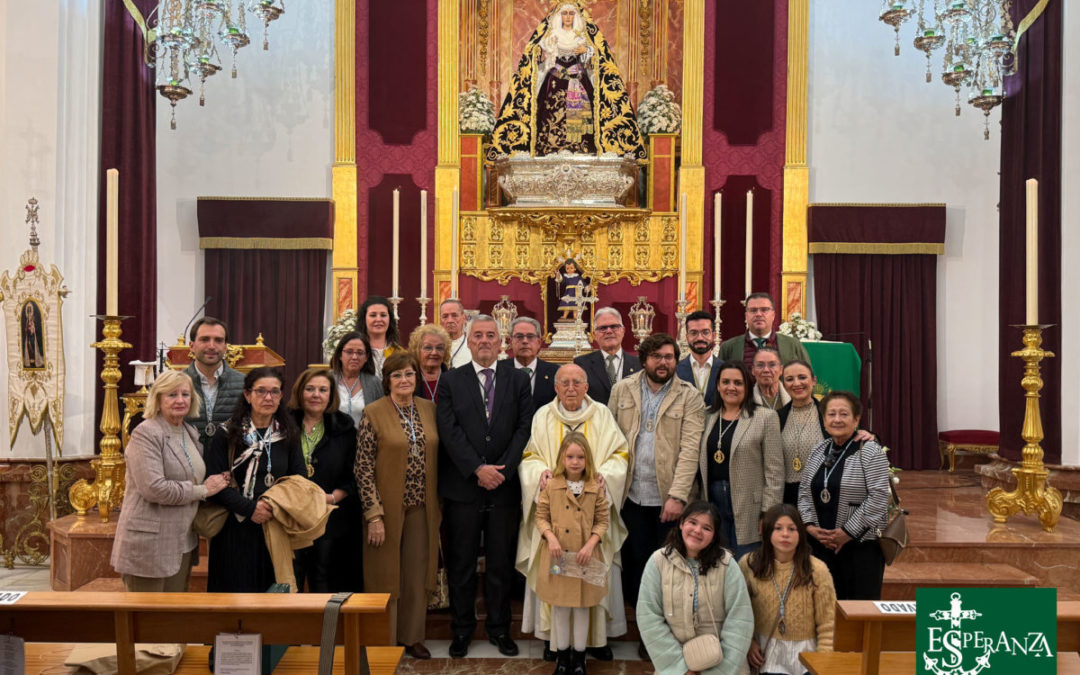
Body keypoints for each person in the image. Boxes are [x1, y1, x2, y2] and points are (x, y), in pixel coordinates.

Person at [437, 315, 534, 658]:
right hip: (463, 487)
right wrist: (477, 468)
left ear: (500, 341)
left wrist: (502, 472)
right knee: (461, 564)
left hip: (504, 489)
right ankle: (462, 630)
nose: (484, 341)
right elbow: (449, 431)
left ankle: (498, 629)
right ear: (469, 338)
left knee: (499, 564)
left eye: (491, 335)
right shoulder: (451, 381)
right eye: (477, 335)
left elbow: (525, 428)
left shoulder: (518, 379)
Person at [517, 363, 629, 661]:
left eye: (577, 382)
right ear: (555, 387)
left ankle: (595, 640)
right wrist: (540, 471)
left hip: (591, 518)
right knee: (557, 580)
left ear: (586, 387)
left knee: (590, 576)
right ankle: (555, 640)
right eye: (564, 382)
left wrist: (605, 473)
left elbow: (620, 453)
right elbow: (530, 455)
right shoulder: (543, 415)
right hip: (555, 521)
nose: (570, 388)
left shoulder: (602, 415)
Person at [608, 333, 704, 659]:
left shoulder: (689, 396)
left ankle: (664, 637)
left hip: (668, 500)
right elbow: (610, 440)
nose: (663, 363)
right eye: (657, 357)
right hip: (631, 497)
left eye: (669, 357)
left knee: (670, 571)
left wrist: (677, 496)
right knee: (636, 566)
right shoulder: (622, 390)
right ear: (644, 359)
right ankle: (644, 629)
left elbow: (691, 450)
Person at [354, 352, 441, 658]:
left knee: (416, 576)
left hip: (422, 507)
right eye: (397, 376)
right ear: (387, 381)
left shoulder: (429, 409)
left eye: (409, 374)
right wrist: (373, 514)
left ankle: (412, 636)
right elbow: (363, 468)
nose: (404, 380)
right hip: (386, 510)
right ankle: (383, 637)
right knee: (384, 574)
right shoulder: (374, 412)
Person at [111, 370, 230, 591]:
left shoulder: (189, 431)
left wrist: (217, 480)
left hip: (182, 541)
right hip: (149, 546)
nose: (180, 400)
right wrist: (203, 490)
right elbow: (155, 489)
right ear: (157, 398)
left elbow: (191, 473)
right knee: (147, 620)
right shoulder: (146, 433)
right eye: (172, 394)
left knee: (172, 619)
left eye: (185, 394)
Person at [205, 367, 305, 592]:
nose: (268, 397)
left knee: (272, 597)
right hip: (234, 529)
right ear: (247, 395)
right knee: (234, 598)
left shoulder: (288, 433)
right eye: (261, 391)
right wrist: (251, 509)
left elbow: (299, 478)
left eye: (275, 392)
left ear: (281, 397)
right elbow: (215, 484)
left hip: (275, 523)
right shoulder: (227, 433)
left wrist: (271, 506)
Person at [637, 501, 754, 675]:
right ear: (682, 523)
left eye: (707, 528)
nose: (698, 531)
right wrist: (681, 668)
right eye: (693, 522)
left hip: (724, 667)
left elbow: (740, 621)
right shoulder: (658, 561)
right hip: (673, 667)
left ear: (714, 535)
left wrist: (718, 671)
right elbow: (648, 617)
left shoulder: (727, 565)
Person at [798, 391, 890, 600]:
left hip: (860, 548)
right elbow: (804, 492)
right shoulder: (818, 450)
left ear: (856, 419)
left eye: (843, 414)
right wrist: (810, 526)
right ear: (824, 419)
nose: (837, 419)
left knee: (859, 611)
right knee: (824, 606)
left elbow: (879, 498)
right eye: (831, 414)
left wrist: (847, 532)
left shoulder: (870, 451)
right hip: (821, 546)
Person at [536, 433, 609, 675]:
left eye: (580, 457)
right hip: (558, 557)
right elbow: (541, 517)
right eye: (570, 456)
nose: (575, 462)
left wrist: (591, 544)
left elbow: (602, 521)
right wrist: (551, 537)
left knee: (581, 607)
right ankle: (562, 658)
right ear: (562, 458)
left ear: (588, 459)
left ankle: (579, 660)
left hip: (584, 557)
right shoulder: (551, 486)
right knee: (560, 607)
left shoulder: (595, 487)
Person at [739, 504, 836, 675]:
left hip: (806, 655)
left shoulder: (818, 570)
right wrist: (748, 643)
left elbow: (828, 622)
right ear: (767, 531)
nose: (785, 534)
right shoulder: (749, 564)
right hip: (764, 654)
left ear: (800, 534)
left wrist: (823, 662)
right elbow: (738, 612)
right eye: (778, 528)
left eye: (792, 529)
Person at [700, 361, 783, 560]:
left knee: (747, 565)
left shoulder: (765, 418)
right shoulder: (706, 417)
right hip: (712, 503)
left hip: (750, 507)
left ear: (747, 386)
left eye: (738, 383)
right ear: (718, 386)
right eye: (725, 382)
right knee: (716, 564)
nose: (731, 387)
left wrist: (768, 513)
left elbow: (775, 472)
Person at [287, 367, 357, 592]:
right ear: (300, 392)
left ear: (331, 395)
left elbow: (355, 473)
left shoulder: (345, 428)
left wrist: (334, 497)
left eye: (322, 390)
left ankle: (325, 628)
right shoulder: (283, 424)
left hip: (330, 517)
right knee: (291, 579)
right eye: (310, 389)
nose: (316, 394)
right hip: (290, 516)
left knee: (323, 579)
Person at [778, 360, 872, 505]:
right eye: (789, 379)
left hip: (826, 493)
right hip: (788, 497)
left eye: (802, 377)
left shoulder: (829, 413)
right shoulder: (777, 417)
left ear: (814, 380)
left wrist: (865, 435)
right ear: (784, 385)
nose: (796, 383)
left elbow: (848, 439)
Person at [184, 317, 245, 449]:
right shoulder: (175, 383)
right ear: (192, 346)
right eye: (204, 339)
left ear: (225, 347)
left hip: (228, 466)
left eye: (218, 340)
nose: (211, 346)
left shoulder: (245, 384)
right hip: (187, 466)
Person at [718, 293, 810, 372]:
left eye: (764, 310)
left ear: (773, 315)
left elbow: (807, 379)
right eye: (753, 310)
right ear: (746, 316)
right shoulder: (728, 348)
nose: (758, 314)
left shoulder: (793, 345)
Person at [573, 307, 640, 405]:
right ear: (594, 334)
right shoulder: (582, 364)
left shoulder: (639, 364)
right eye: (602, 328)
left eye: (614, 326)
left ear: (623, 330)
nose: (609, 331)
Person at [329, 331, 383, 427]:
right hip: (332, 440)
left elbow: (382, 418)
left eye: (360, 353)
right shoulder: (328, 380)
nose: (354, 357)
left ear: (366, 357)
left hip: (364, 440)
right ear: (340, 355)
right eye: (349, 352)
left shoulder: (375, 383)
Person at [509, 316, 559, 408]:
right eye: (519, 336)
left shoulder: (555, 373)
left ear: (539, 342)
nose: (525, 341)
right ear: (511, 341)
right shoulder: (498, 370)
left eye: (530, 336)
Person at [676, 310, 722, 406]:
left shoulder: (725, 369)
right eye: (694, 333)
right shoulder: (675, 370)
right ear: (687, 337)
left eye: (705, 332)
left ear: (713, 336)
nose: (700, 338)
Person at [359, 295, 404, 376]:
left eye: (383, 315)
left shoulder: (400, 353)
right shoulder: (356, 352)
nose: (378, 319)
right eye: (373, 315)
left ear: (390, 319)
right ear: (364, 319)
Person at [409, 323, 452, 404]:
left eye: (439, 348)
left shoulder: (454, 380)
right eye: (428, 347)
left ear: (445, 351)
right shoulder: (408, 379)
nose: (434, 352)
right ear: (417, 350)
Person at [751, 347, 790, 411]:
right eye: (760, 365)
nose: (766, 370)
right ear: (753, 370)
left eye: (772, 365)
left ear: (781, 370)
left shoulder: (793, 396)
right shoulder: (746, 399)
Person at [440, 299, 473, 368]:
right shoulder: (434, 347)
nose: (450, 320)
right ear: (440, 320)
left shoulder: (473, 347)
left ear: (464, 318)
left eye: (454, 315)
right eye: (445, 316)